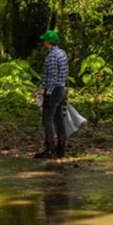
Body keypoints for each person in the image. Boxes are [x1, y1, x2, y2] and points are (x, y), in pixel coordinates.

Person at [34, 30, 69, 159]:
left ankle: (50, 149)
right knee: (59, 119)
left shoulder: (52, 56)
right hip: (61, 90)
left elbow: (52, 76)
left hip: (53, 91)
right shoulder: (62, 53)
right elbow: (64, 74)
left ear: (49, 42)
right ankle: (61, 148)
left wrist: (45, 91)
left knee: (47, 119)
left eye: (45, 40)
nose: (43, 42)